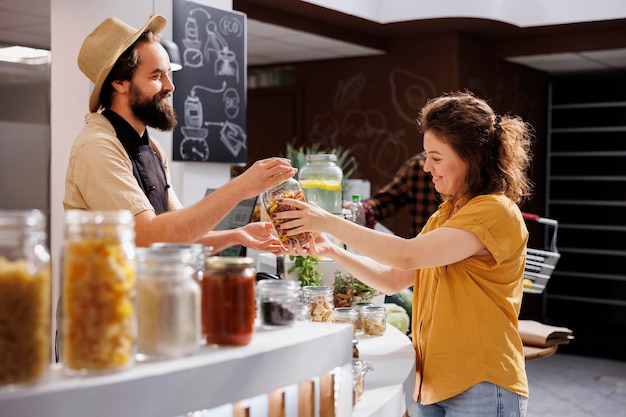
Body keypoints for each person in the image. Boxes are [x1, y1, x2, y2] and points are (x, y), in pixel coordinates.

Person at [275, 91, 534, 416]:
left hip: (481, 382)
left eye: (436, 158)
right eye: (426, 156)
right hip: (433, 382)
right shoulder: (446, 214)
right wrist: (329, 248)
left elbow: (407, 256)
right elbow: (393, 279)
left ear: (473, 157)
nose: (426, 167)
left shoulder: (495, 211)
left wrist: (327, 220)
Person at [63, 14, 296, 253]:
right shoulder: (97, 147)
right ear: (120, 83)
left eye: (168, 74)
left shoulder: (152, 149)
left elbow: (177, 234)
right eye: (156, 76)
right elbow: (146, 235)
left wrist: (236, 235)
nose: (170, 86)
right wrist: (240, 187)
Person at [363, 151, 439, 237]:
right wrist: (360, 208)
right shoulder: (418, 166)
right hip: (420, 244)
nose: (427, 168)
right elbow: (388, 199)